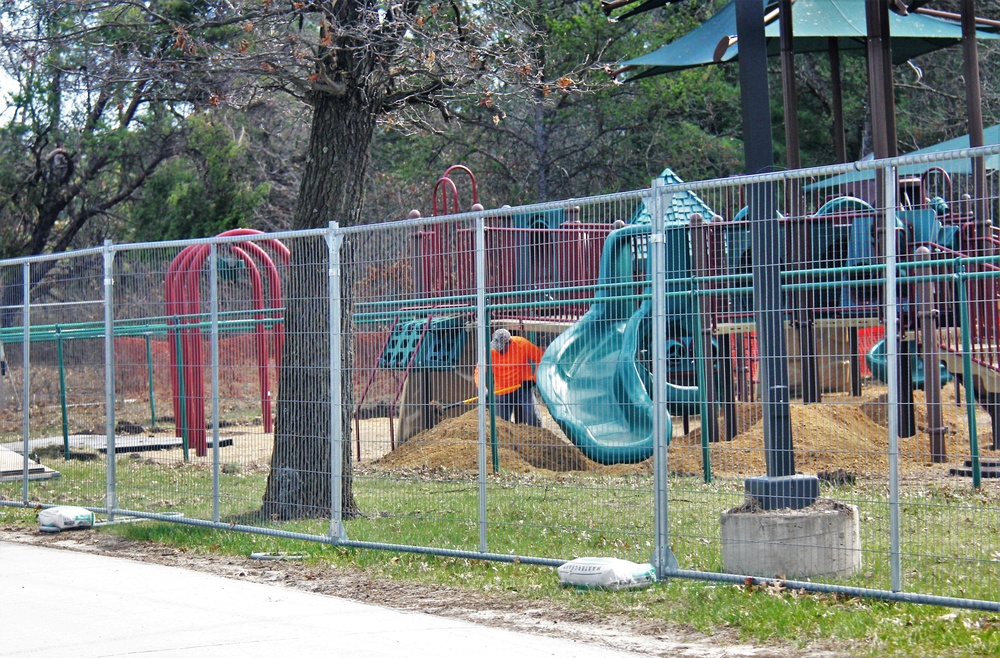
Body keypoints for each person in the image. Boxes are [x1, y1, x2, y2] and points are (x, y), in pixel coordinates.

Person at [474, 328, 544, 426]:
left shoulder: (521, 343)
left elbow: (541, 358)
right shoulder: (489, 351)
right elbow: (479, 371)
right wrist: (482, 389)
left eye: (501, 348)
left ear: (508, 342)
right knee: (501, 424)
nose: (499, 350)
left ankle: (538, 437)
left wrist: (534, 379)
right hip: (502, 390)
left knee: (533, 416)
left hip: (523, 387)